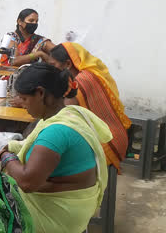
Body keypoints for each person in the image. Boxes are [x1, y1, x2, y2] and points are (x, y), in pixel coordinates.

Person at [0, 63, 112, 233]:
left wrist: (9, 157)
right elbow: (38, 151)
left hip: (60, 214)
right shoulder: (70, 112)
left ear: (41, 93)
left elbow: (28, 182)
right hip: (74, 205)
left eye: (24, 98)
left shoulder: (56, 131)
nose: (22, 104)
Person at [46, 42, 131, 172]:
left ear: (68, 64)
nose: (52, 69)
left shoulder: (82, 80)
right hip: (114, 134)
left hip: (107, 141)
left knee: (55, 155)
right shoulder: (90, 73)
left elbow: (66, 112)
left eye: (53, 65)